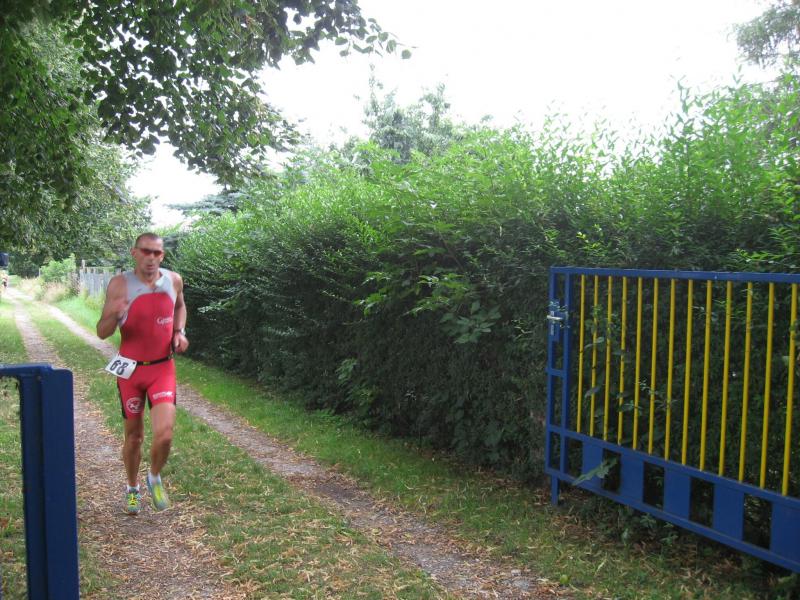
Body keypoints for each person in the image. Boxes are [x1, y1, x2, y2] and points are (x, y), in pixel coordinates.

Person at [97, 233, 189, 515]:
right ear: (134, 253)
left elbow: (180, 305)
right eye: (146, 251)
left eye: (156, 253)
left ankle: (154, 477)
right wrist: (114, 314)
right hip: (130, 371)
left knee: (165, 435)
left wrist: (179, 331)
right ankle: (132, 488)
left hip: (162, 368)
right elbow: (102, 332)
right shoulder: (120, 285)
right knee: (134, 437)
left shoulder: (173, 280)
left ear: (162, 255)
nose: (151, 258)